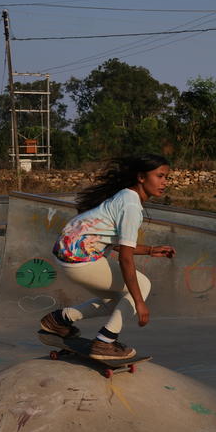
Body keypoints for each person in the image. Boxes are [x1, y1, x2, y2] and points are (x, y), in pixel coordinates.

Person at [38, 153, 176, 362]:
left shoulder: (124, 196)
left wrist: (149, 250)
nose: (164, 182)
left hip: (68, 253)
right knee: (142, 285)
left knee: (116, 301)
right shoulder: (131, 206)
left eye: (166, 177)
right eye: (160, 176)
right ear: (141, 177)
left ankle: (59, 320)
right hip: (80, 258)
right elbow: (125, 259)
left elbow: (120, 246)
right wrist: (140, 302)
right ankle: (105, 341)